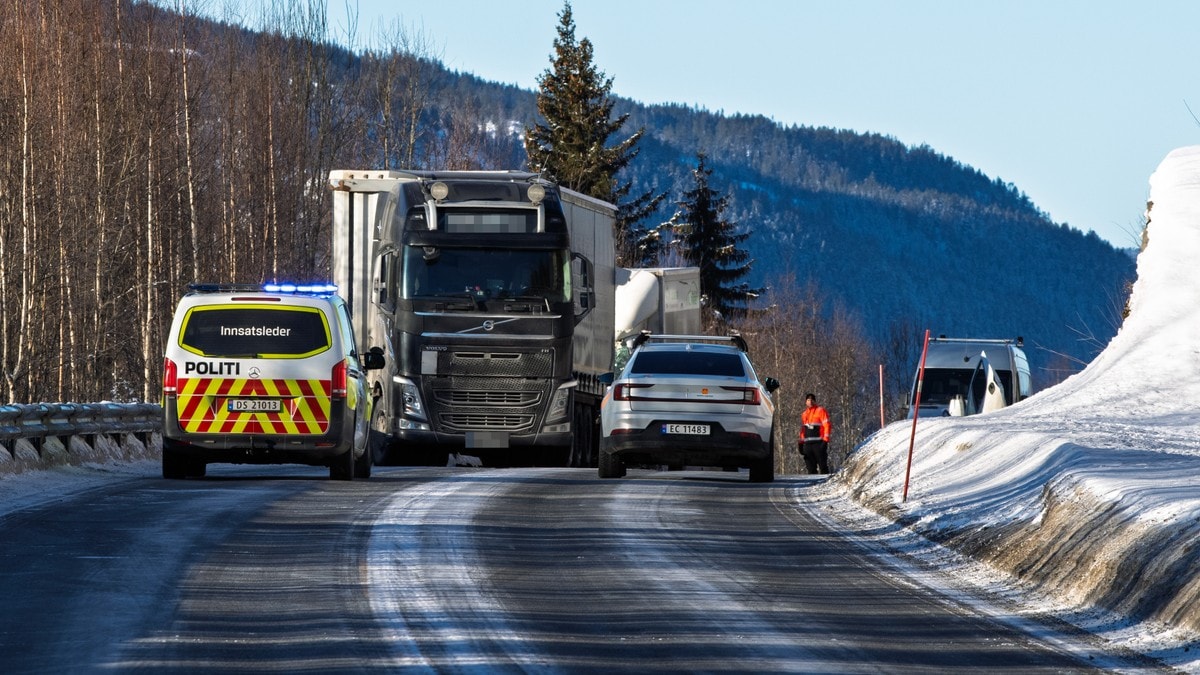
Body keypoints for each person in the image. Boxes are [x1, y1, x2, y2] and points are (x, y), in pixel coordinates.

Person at [799, 393, 831, 474]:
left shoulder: (821, 411)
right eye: (808, 400)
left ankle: (826, 484)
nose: (810, 402)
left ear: (815, 401)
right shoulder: (804, 414)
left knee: (823, 467)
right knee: (810, 468)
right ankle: (812, 485)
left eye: (812, 400)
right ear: (806, 402)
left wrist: (825, 441)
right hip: (807, 445)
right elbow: (803, 430)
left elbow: (827, 425)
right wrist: (800, 443)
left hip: (819, 443)